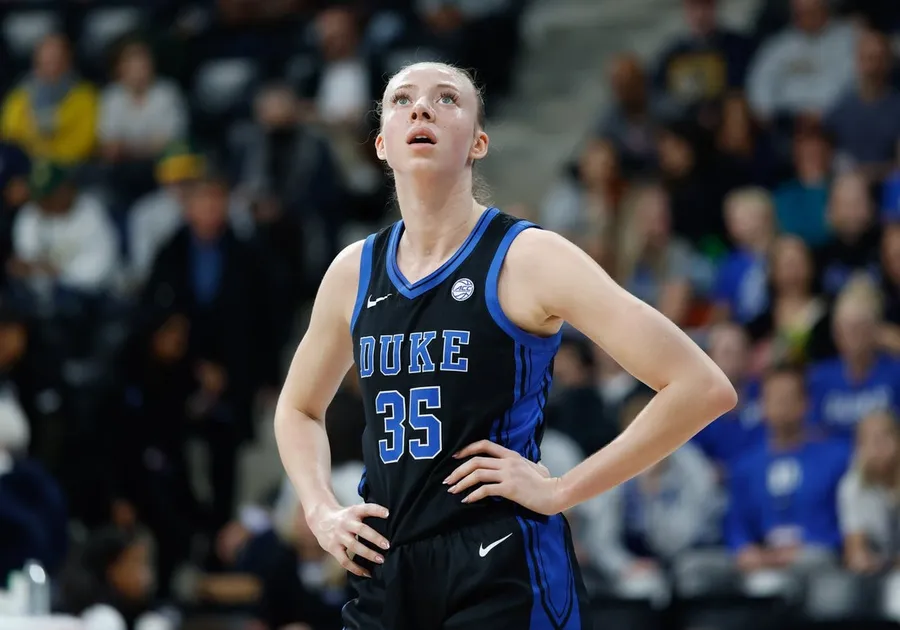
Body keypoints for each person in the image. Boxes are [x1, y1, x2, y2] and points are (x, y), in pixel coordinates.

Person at [274, 61, 737, 630]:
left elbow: (701, 387)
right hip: (386, 566)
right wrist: (320, 509)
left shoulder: (529, 257)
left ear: (479, 142)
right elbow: (297, 409)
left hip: (500, 559)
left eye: (447, 99)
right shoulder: (353, 271)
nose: (422, 108)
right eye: (402, 100)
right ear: (381, 145)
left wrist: (563, 489)